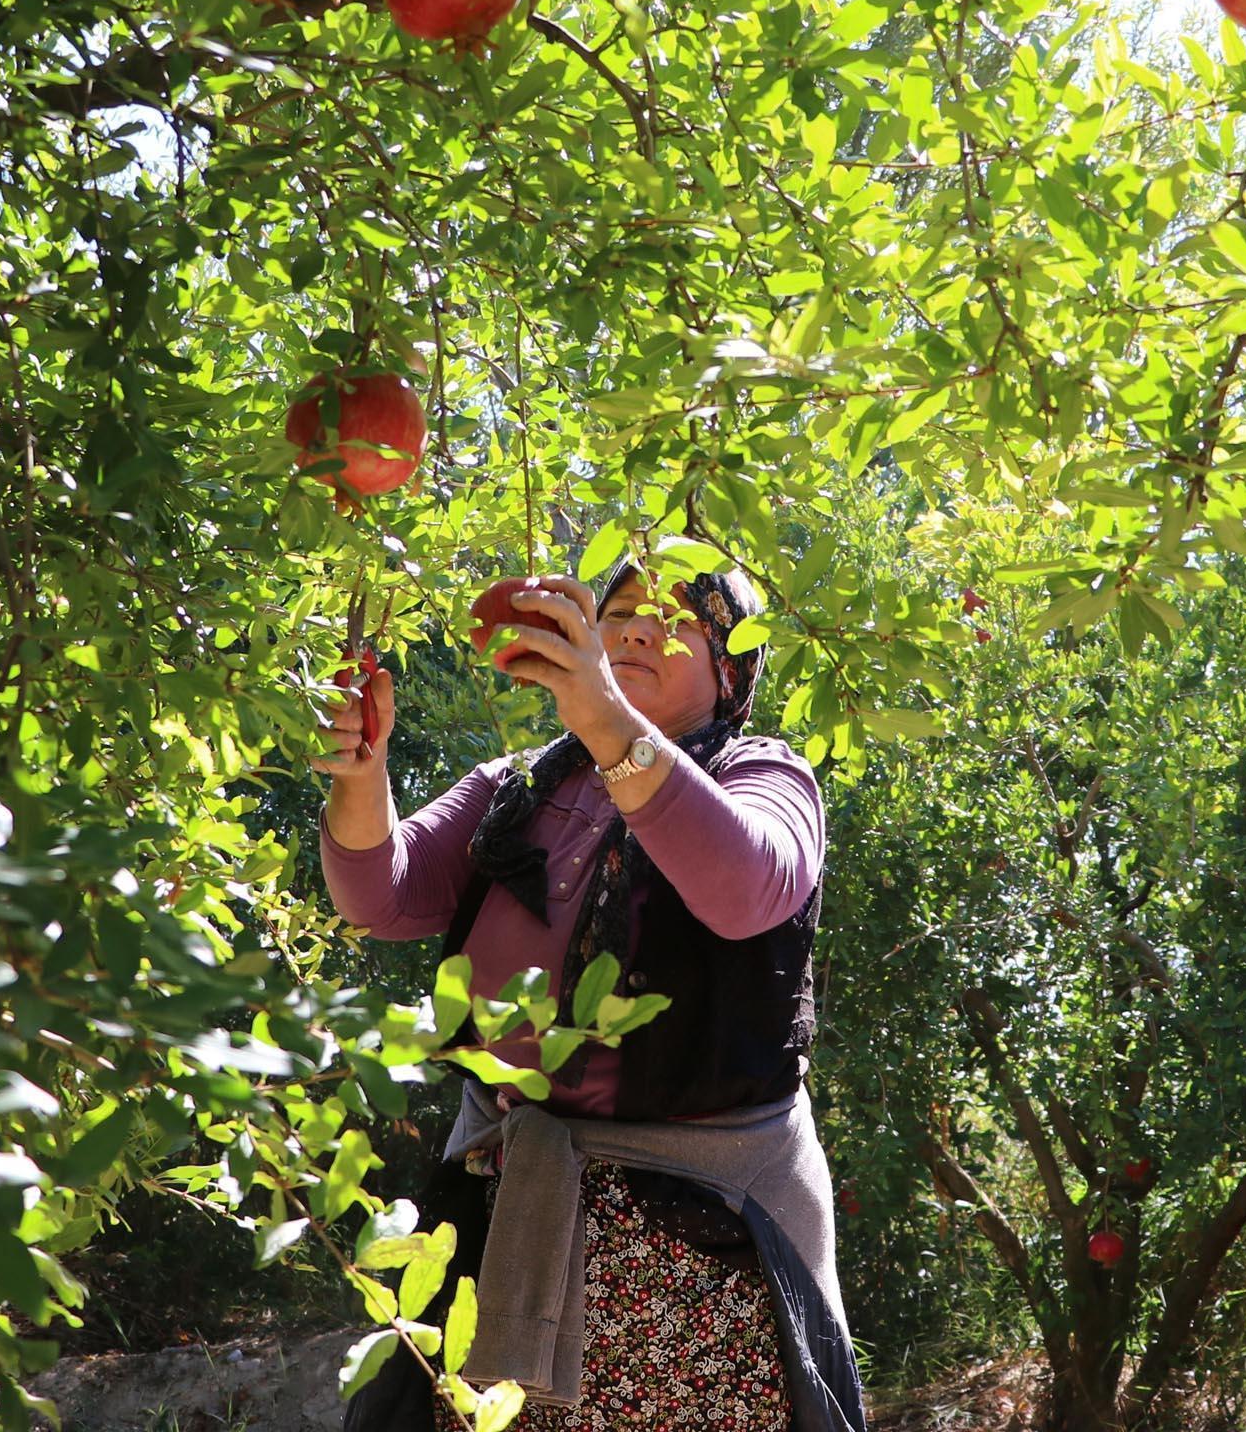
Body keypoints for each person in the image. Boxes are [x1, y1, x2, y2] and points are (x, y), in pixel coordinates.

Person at [316, 551, 862, 1432]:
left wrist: (610, 723)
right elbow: (383, 893)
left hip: (693, 1244)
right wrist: (360, 774)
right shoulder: (521, 785)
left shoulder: (766, 776)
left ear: (730, 669)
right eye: (623, 613)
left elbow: (746, 888)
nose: (644, 627)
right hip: (514, 1198)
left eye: (681, 619)